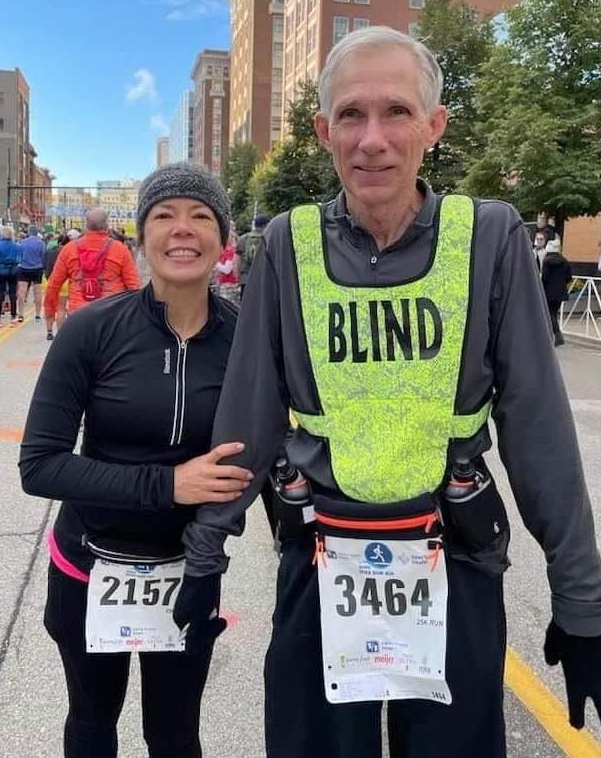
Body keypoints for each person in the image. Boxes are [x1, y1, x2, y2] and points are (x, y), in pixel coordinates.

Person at [174, 26, 601, 758]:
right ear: (322, 131)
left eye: (396, 112)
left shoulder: (489, 237)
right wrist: (207, 549)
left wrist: (581, 600)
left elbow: (536, 427)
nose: (372, 139)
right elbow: (251, 409)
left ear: (433, 125)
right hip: (318, 552)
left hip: (453, 555)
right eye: (350, 115)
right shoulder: (286, 243)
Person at [19, 163, 252, 758]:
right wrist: (169, 483)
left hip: (190, 572)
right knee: (93, 724)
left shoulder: (247, 339)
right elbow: (40, 465)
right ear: (140, 237)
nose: (183, 230)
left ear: (223, 239)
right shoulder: (91, 330)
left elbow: (270, 453)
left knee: (175, 734)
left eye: (200, 216)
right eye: (164, 216)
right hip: (88, 566)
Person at [44, 207, 140, 325]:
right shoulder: (120, 250)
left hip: (78, 316)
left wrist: (50, 311)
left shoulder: (69, 249)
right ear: (107, 225)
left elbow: (54, 284)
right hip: (111, 316)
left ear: (86, 225)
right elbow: (133, 286)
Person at [542, 238, 572, 347]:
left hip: (549, 292)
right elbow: (569, 277)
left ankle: (558, 336)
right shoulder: (565, 261)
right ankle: (552, 336)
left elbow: (545, 277)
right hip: (560, 292)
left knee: (550, 314)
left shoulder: (547, 261)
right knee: (554, 313)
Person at [234, 212, 270, 299]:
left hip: (246, 279)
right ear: (267, 225)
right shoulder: (269, 238)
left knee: (245, 307)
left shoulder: (243, 238)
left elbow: (236, 262)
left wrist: (238, 279)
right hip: (264, 280)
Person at [43, 232, 70, 340]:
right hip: (65, 282)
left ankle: (49, 331)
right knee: (61, 309)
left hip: (50, 281)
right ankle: (61, 334)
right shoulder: (70, 252)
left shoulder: (50, 252)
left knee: (49, 307)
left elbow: (46, 267)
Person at [17, 224, 45, 322]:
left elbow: (19, 255)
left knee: (22, 291)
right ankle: (37, 315)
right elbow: (43, 256)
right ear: (37, 233)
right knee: (37, 292)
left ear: (28, 233)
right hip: (37, 268)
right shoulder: (40, 243)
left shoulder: (22, 242)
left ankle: (21, 314)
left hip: (24, 268)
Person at [0, 226, 21, 327]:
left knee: (1, 293)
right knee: (12, 293)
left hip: (1, 270)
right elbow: (19, 259)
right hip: (13, 271)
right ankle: (13, 317)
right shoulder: (16, 246)